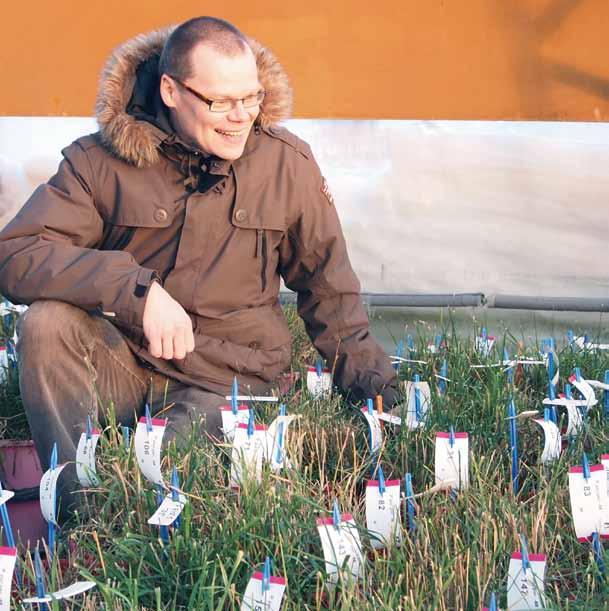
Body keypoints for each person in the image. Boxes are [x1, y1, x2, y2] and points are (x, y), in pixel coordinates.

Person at [0, 17, 397, 507]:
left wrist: (378, 394)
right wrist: (134, 290)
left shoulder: (287, 164)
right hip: (127, 361)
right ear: (170, 90)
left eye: (250, 97)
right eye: (220, 102)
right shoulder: (100, 162)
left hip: (228, 379)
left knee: (158, 479)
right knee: (46, 324)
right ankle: (82, 516)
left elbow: (328, 289)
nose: (242, 115)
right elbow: (17, 253)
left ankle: (134, 499)